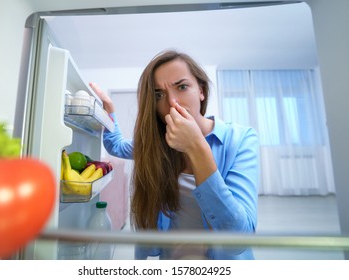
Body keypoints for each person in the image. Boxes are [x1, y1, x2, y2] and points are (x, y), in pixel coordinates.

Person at [89, 49, 260, 260]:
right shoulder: (157, 144)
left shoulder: (241, 139)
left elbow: (239, 238)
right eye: (159, 94)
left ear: (202, 91)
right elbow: (116, 145)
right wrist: (109, 111)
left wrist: (195, 146)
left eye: (182, 87)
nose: (172, 102)